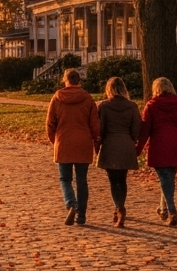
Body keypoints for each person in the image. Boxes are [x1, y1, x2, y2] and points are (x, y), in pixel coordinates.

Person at [136, 76, 177, 227]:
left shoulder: (151, 106)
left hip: (160, 146)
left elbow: (145, 131)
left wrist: (138, 149)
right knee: (167, 181)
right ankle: (162, 209)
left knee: (166, 181)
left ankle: (172, 211)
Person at [45, 68, 99, 226]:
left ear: (65, 80)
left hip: (64, 141)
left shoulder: (57, 98)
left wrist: (55, 141)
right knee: (82, 180)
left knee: (65, 179)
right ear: (79, 80)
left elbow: (50, 124)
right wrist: (96, 141)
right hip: (83, 142)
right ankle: (81, 215)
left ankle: (71, 203)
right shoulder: (88, 98)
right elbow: (95, 124)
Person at [95, 76, 141, 228]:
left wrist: (98, 144)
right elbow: (136, 129)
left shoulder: (104, 106)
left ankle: (118, 207)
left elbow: (100, 128)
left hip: (110, 143)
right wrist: (132, 140)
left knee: (113, 180)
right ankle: (120, 205)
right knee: (122, 179)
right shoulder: (132, 106)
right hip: (126, 143)